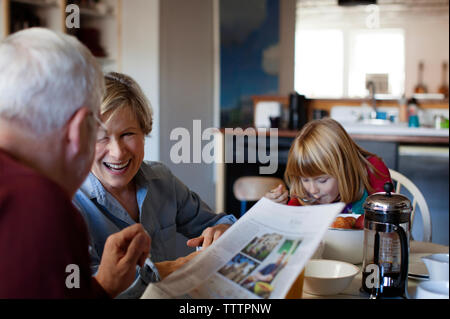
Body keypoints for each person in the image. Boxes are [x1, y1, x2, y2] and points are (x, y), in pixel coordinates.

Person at [0, 28, 155, 298]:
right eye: (98, 130)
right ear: (80, 128)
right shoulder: (42, 207)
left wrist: (102, 286)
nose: (116, 153)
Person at [73, 72, 236, 298]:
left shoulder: (162, 180)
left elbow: (221, 222)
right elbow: (80, 289)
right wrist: (177, 267)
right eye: (101, 137)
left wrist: (223, 230)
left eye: (128, 134)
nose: (118, 152)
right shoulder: (68, 204)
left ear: (144, 132)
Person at [265, 118, 391, 213]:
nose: (313, 190)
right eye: (305, 179)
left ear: (344, 169)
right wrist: (274, 208)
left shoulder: (374, 169)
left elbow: (388, 223)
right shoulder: (305, 193)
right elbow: (291, 221)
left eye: (322, 180)